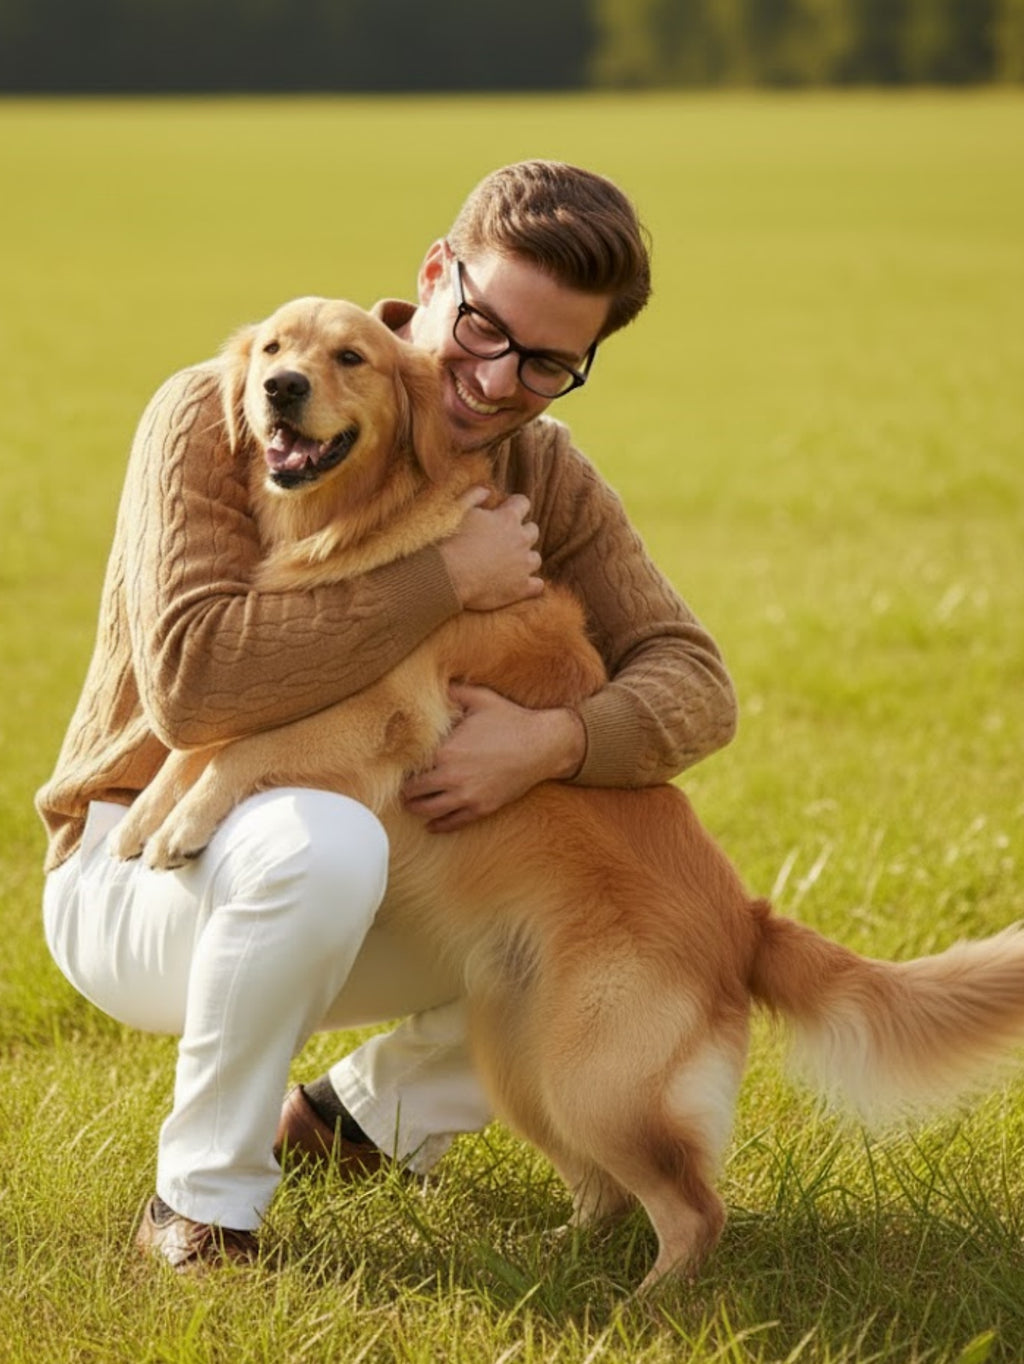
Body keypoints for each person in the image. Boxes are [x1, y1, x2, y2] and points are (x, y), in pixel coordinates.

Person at [37, 161, 738, 1273]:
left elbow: (695, 677)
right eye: (487, 326)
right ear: (436, 274)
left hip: (353, 886)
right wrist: (442, 579)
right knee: (324, 837)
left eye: (548, 361)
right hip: (142, 860)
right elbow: (190, 686)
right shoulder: (213, 410)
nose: (500, 378)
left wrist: (555, 740)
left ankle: (357, 1124)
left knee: (594, 904)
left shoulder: (540, 468)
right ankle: (202, 1208)